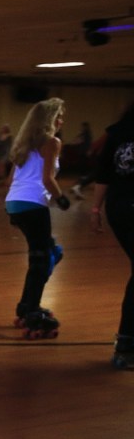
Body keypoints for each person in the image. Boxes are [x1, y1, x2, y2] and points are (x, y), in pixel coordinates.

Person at [4, 98, 70, 338]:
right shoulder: (52, 143)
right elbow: (47, 179)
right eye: (59, 116)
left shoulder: (22, 144)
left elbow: (10, 181)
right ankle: (31, 312)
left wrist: (13, 213)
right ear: (50, 120)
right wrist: (62, 200)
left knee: (48, 254)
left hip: (14, 203)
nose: (62, 120)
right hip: (33, 204)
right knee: (42, 261)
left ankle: (26, 306)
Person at [89, 102, 134, 368]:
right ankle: (126, 345)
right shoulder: (118, 132)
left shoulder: (117, 131)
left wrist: (96, 208)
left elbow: (103, 172)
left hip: (118, 208)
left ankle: (126, 344)